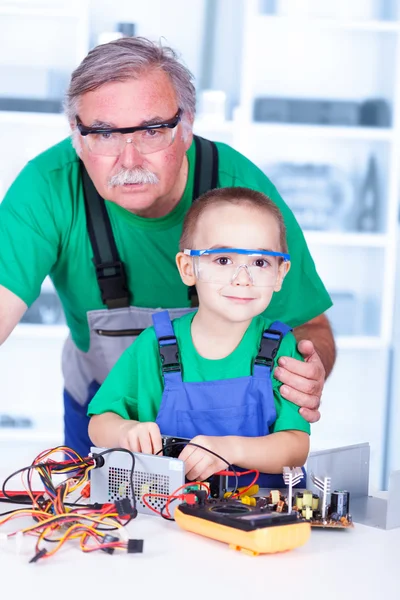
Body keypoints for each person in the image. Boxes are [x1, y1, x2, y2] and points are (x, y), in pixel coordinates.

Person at [0, 37, 335, 459]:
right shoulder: (47, 187)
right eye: (103, 133)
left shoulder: (242, 194)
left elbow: (311, 328)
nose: (129, 159)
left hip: (234, 442)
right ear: (76, 135)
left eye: (152, 130)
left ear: (187, 124)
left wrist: (307, 373)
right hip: (107, 418)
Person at [88, 187, 310, 485]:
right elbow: (99, 422)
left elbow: (296, 447)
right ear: (187, 268)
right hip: (168, 515)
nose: (242, 279)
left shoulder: (282, 347)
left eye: (260, 262)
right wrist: (125, 431)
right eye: (222, 260)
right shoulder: (153, 346)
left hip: (260, 518)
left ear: (280, 273)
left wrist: (228, 448)